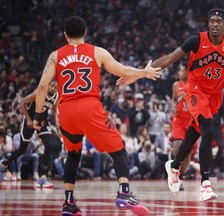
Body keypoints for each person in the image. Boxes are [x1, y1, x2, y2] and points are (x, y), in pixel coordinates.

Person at [32, 16, 161, 216]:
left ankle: (68, 202)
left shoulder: (55, 56)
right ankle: (124, 193)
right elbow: (123, 70)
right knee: (119, 150)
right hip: (88, 107)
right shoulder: (96, 52)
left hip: (65, 111)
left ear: (65, 35)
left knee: (73, 155)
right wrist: (144, 72)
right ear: (85, 33)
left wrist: (39, 116)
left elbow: (42, 86)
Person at [118, 8, 224, 201]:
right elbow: (170, 59)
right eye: (211, 20)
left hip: (215, 95)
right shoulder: (196, 40)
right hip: (196, 90)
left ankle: (174, 166)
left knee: (193, 135)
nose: (214, 24)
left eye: (218, 21)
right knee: (208, 130)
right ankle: (205, 184)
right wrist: (140, 73)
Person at [1, 81, 58, 188]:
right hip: (30, 120)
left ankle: (42, 177)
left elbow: (54, 110)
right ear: (48, 85)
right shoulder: (39, 92)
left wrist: (57, 123)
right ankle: (4, 162)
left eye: (55, 87)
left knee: (49, 144)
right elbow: (22, 102)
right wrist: (28, 119)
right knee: (22, 149)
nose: (53, 88)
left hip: (42, 122)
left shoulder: (56, 97)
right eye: (51, 86)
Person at [170, 63, 195, 190]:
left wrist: (188, 97)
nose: (179, 73)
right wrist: (173, 108)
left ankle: (179, 177)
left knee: (187, 154)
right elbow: (173, 101)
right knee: (177, 148)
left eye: (181, 70)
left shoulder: (194, 85)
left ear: (188, 72)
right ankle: (172, 168)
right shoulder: (176, 85)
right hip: (179, 120)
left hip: (191, 121)